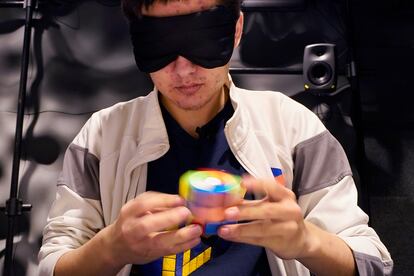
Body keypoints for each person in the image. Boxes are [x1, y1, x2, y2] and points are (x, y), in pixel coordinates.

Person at [38, 0, 393, 275]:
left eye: (203, 39)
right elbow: (53, 264)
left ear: (236, 29)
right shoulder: (102, 137)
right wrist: (110, 249)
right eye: (159, 45)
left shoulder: (295, 129)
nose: (184, 69)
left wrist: (306, 241)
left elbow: (372, 263)